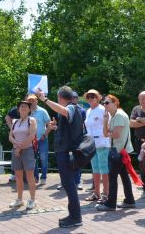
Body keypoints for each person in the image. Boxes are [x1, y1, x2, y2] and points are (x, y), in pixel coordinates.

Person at [36, 86, 84, 228]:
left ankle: (76, 217)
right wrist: (56, 128)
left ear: (60, 97)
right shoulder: (71, 109)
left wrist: (44, 99)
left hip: (67, 153)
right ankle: (74, 215)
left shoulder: (71, 108)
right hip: (66, 152)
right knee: (69, 186)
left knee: (69, 185)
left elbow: (64, 111)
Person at [96, 94, 136, 212]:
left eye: (107, 103)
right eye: (104, 103)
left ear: (115, 103)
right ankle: (129, 200)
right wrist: (105, 120)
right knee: (124, 176)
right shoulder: (113, 116)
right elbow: (105, 133)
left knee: (112, 177)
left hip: (118, 152)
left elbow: (116, 134)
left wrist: (108, 133)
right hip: (119, 151)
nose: (104, 105)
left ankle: (111, 204)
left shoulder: (119, 115)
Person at [8, 100, 38, 209]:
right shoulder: (15, 121)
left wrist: (19, 147)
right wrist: (16, 145)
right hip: (16, 151)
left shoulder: (32, 120)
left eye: (26, 106)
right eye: (21, 106)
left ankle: (32, 200)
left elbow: (31, 136)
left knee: (30, 176)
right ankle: (19, 200)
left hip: (27, 150)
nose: (23, 108)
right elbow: (10, 136)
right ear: (18, 109)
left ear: (29, 109)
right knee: (18, 176)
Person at [83, 89, 109, 203]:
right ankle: (96, 193)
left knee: (104, 170)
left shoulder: (103, 109)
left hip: (102, 143)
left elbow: (108, 126)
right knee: (95, 170)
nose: (90, 99)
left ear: (98, 98)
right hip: (92, 144)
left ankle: (106, 194)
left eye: (92, 96)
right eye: (88, 97)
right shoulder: (88, 111)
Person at [25, 94, 52, 186]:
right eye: (29, 101)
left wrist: (45, 134)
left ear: (37, 101)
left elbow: (50, 124)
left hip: (42, 139)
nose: (31, 102)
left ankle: (43, 177)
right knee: (33, 159)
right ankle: (35, 177)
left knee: (43, 159)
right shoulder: (26, 112)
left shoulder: (42, 111)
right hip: (31, 140)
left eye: (33, 100)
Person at [71, 91, 86, 190]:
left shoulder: (82, 110)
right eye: (71, 97)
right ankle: (66, 181)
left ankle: (78, 181)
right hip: (67, 139)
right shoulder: (65, 109)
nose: (73, 99)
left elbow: (84, 125)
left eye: (75, 97)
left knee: (77, 160)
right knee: (66, 161)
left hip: (78, 139)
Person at [4, 105, 19, 183]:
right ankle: (13, 174)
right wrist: (12, 128)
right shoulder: (16, 108)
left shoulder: (34, 110)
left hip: (29, 136)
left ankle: (28, 176)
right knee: (15, 154)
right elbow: (7, 117)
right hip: (16, 136)